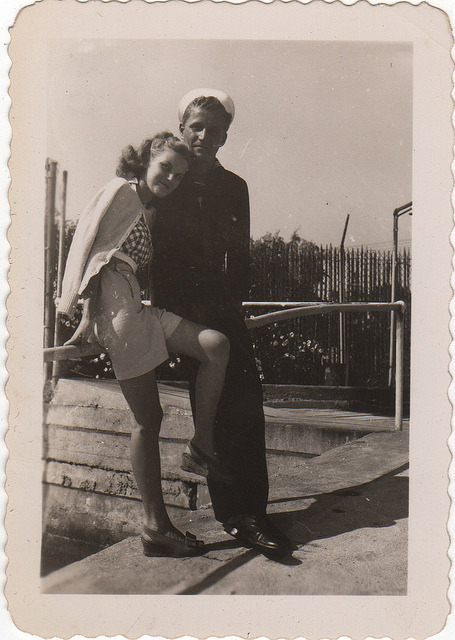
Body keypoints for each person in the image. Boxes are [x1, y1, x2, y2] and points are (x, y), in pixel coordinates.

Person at [58, 132, 231, 558]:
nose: (170, 178)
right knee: (147, 418)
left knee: (216, 345)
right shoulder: (119, 191)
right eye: (164, 167)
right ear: (144, 161)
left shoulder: (146, 208)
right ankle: (156, 526)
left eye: (179, 174)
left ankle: (201, 444)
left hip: (135, 302)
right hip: (116, 305)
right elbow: (87, 246)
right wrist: (79, 312)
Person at [151, 91, 296, 557]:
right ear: (181, 128)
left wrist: (228, 305)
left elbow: (242, 258)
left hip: (221, 310)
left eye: (214, 130)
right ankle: (234, 514)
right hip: (178, 313)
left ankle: (248, 514)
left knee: (246, 403)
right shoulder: (166, 178)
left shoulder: (234, 186)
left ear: (226, 136)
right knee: (208, 410)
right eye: (196, 126)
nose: (204, 136)